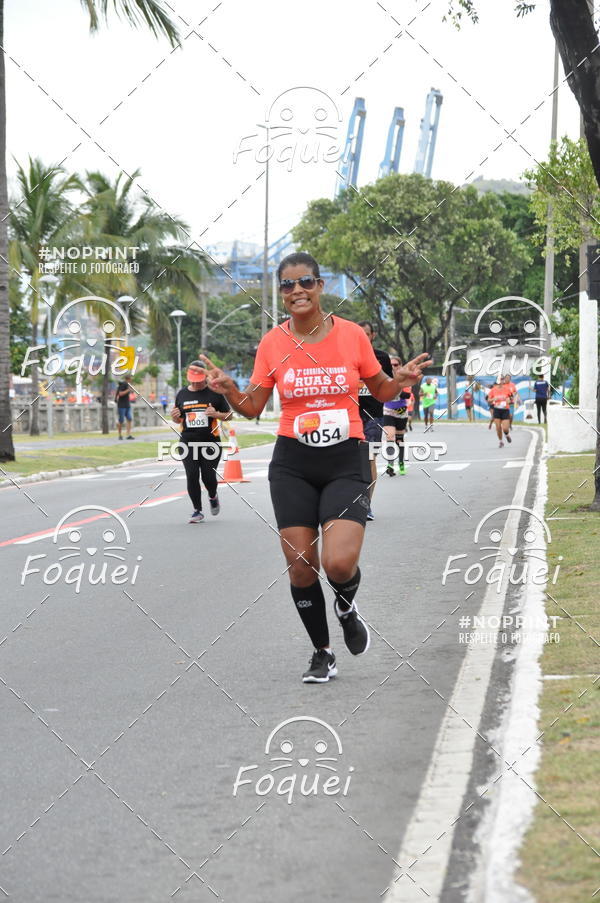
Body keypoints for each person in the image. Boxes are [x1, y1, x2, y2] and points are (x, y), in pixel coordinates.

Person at [201, 251, 431, 683]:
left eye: (305, 282)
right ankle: (322, 652)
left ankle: (345, 603)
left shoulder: (351, 336)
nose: (297, 291)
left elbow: (379, 389)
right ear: (281, 294)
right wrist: (231, 389)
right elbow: (252, 407)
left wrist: (399, 383)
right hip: (293, 462)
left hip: (346, 457)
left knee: (339, 564)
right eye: (287, 285)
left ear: (321, 286)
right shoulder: (272, 343)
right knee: (302, 564)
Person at [171, 360, 231, 523]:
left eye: (199, 381)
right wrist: (175, 417)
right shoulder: (182, 394)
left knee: (208, 476)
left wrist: (216, 414)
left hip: (210, 442)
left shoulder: (215, 393)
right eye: (192, 381)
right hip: (188, 442)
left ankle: (213, 495)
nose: (196, 384)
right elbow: (178, 419)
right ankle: (197, 510)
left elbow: (229, 415)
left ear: (205, 377)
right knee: (191, 475)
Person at [357, 321, 393, 520]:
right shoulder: (344, 355)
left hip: (373, 415)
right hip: (348, 415)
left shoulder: (381, 357)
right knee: (349, 462)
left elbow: (388, 385)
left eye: (366, 334)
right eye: (358, 334)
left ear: (372, 336)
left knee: (369, 459)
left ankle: (366, 504)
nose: (362, 337)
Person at [383, 357, 410, 475]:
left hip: (401, 411)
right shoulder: (384, 377)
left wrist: (395, 389)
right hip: (388, 410)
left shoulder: (405, 377)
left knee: (399, 439)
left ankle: (401, 463)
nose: (393, 367)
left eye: (395, 364)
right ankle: (390, 464)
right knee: (389, 436)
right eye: (391, 365)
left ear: (400, 365)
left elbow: (407, 395)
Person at [487, 378, 513, 447]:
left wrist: (509, 401)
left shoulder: (507, 389)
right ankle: (501, 441)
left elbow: (512, 398)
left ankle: (507, 435)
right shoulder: (493, 390)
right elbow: (489, 400)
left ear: (503, 381)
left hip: (505, 410)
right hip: (497, 410)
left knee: (505, 428)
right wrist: (493, 399)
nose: (500, 381)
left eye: (502, 379)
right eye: (499, 380)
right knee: (498, 427)